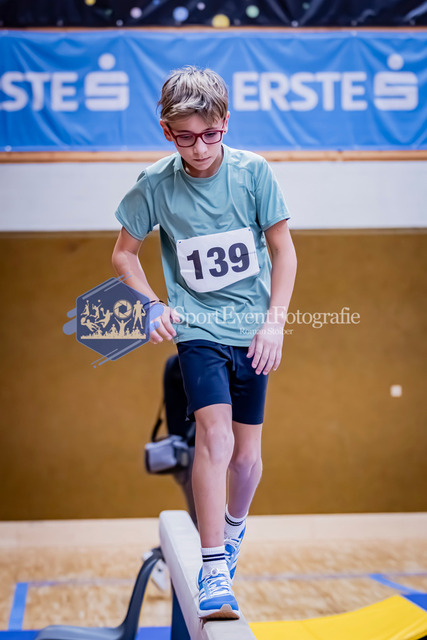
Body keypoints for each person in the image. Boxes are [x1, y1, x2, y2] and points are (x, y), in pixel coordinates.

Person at [112, 66, 297, 620]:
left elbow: (284, 250)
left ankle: (234, 528)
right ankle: (213, 566)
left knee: (247, 457)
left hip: (252, 328)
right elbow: (123, 254)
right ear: (166, 131)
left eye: (210, 134)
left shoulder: (253, 172)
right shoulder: (154, 184)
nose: (199, 148)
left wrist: (274, 323)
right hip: (196, 328)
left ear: (226, 123)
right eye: (185, 137)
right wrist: (151, 304)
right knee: (214, 437)